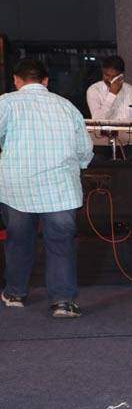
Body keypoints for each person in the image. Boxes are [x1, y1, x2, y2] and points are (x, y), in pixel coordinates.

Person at [0, 59, 93, 317]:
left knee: (19, 241)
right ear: (46, 81)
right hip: (60, 188)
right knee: (60, 244)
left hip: (17, 187)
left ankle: (15, 293)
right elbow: (85, 149)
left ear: (16, 80)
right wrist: (78, 166)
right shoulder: (67, 106)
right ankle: (63, 302)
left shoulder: (6, 103)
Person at [85, 55, 132, 147]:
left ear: (121, 75)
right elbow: (97, 121)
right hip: (104, 144)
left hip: (131, 145)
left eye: (114, 77)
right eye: (106, 75)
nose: (109, 80)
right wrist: (112, 94)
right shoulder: (94, 90)